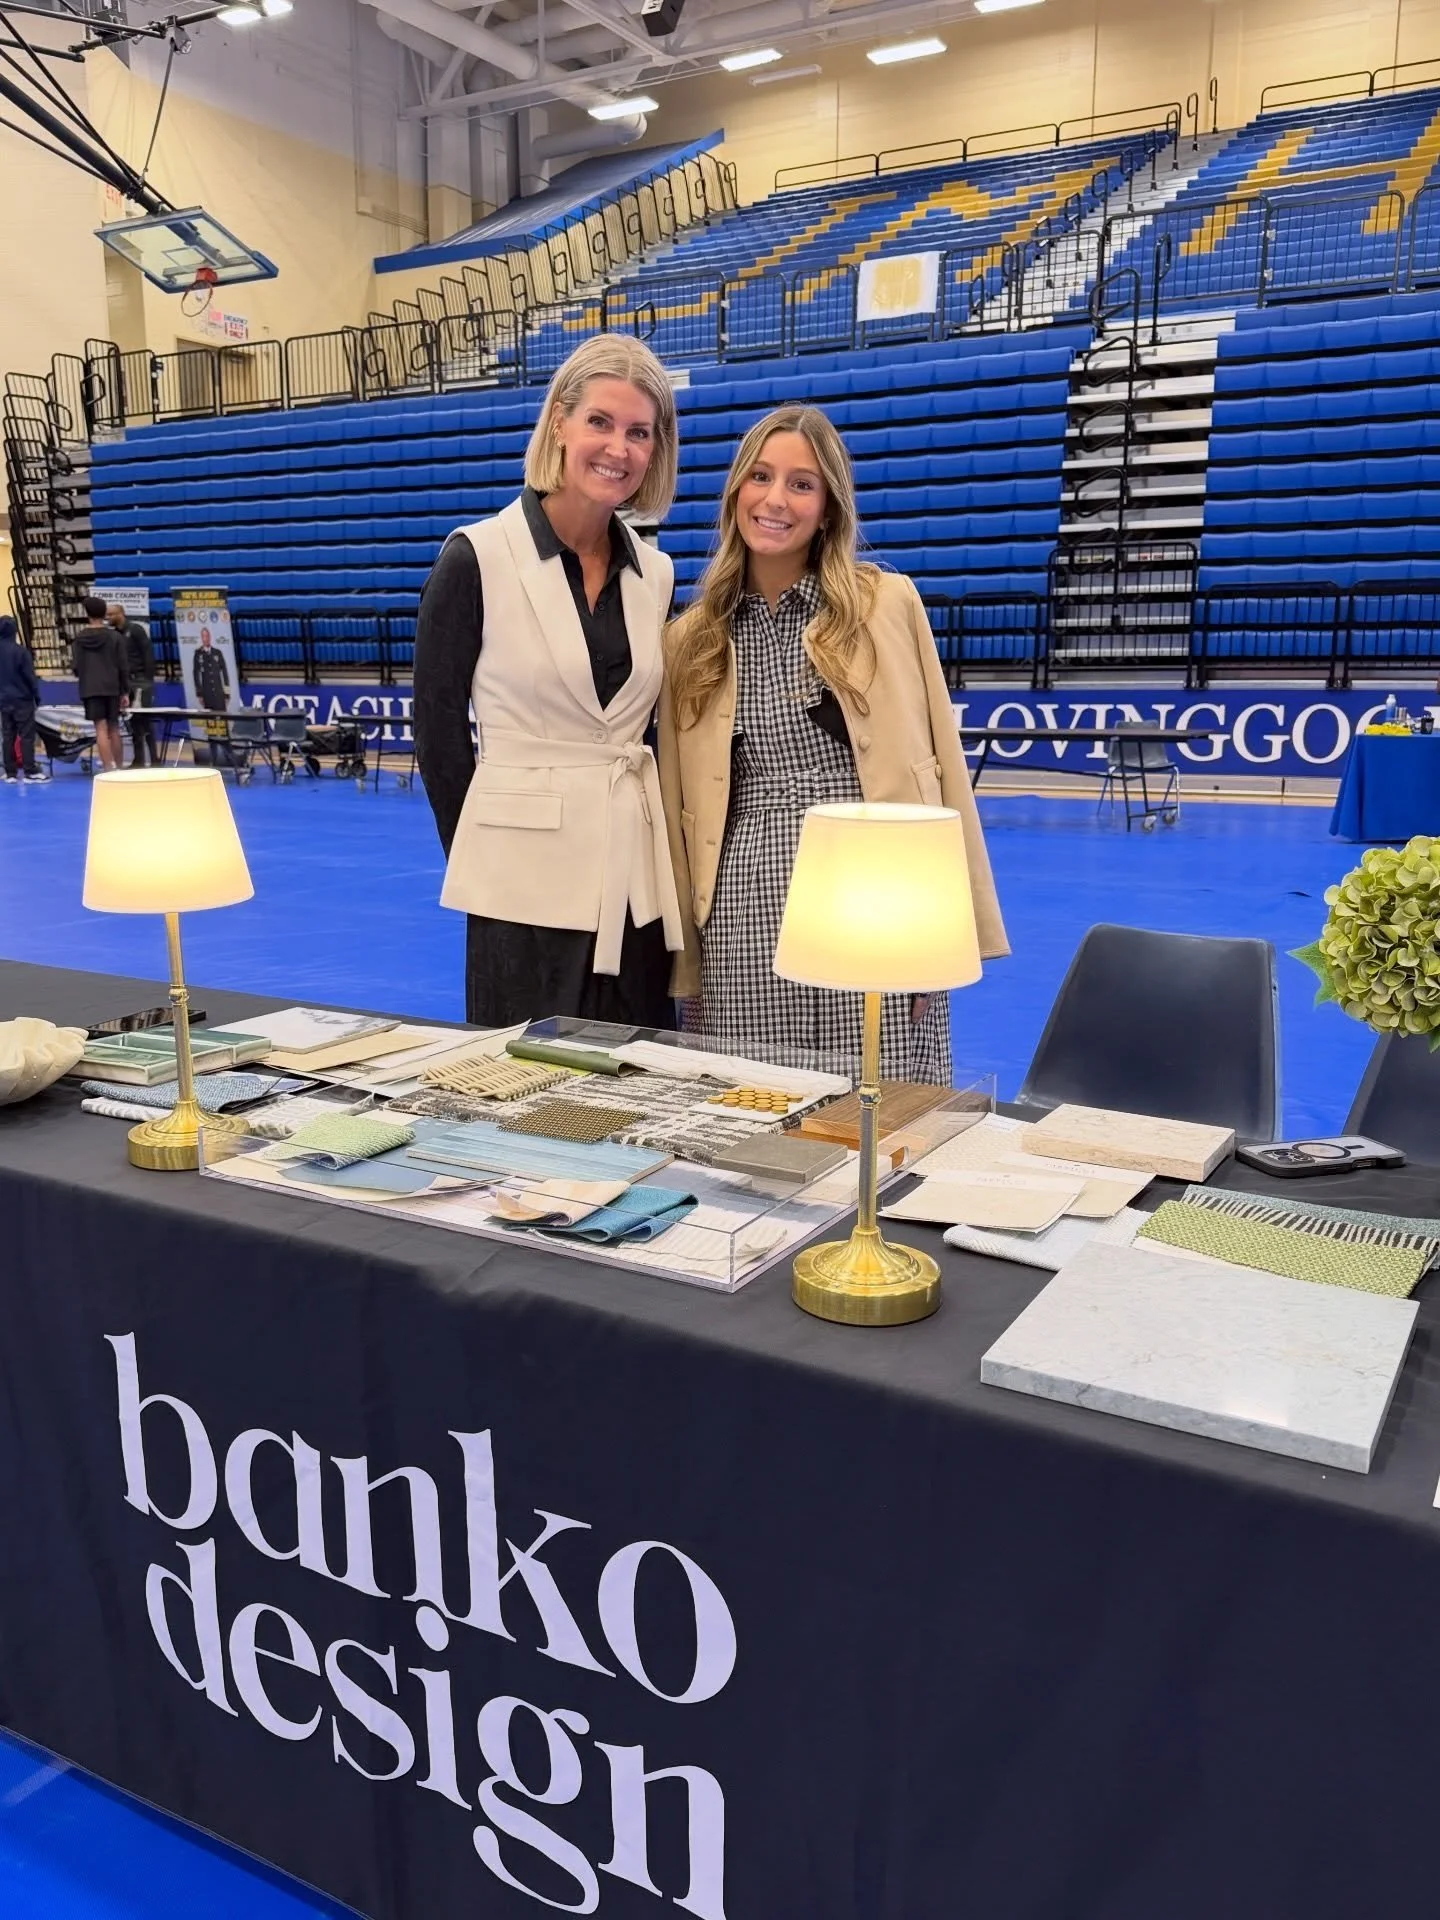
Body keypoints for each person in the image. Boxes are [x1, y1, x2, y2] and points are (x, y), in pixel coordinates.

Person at [659, 405, 1008, 1082]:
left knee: (883, 1107)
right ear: (735, 491)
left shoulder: (888, 607)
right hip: (744, 901)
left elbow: (937, 772)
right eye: (760, 476)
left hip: (877, 888)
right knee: (754, 1104)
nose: (775, 499)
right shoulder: (690, 639)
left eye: (801, 484)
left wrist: (948, 930)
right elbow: (681, 817)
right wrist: (689, 967)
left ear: (827, 508)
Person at [415, 335, 684, 1028]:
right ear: (559, 422)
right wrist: (484, 856)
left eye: (638, 433)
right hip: (521, 890)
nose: (617, 449)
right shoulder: (476, 557)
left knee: (638, 1087)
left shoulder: (656, 575)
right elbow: (439, 735)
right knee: (524, 1099)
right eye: (599, 422)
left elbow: (644, 726)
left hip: (634, 883)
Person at [71, 596, 129, 773]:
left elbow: (76, 667)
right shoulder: (115, 637)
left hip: (90, 688)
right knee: (114, 728)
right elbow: (123, 666)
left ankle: (107, 768)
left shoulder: (79, 639)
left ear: (87, 614)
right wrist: (125, 691)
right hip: (112, 687)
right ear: (104, 613)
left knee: (100, 728)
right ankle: (119, 766)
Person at [0, 615, 48, 783]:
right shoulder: (21, 652)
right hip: (22, 699)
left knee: (7, 735)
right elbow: (29, 677)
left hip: (3, 700)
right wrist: (37, 696)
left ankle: (10, 772)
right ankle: (30, 771)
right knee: (26, 736)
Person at [108, 603, 157, 766]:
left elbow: (147, 654)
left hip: (141, 680)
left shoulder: (136, 630)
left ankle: (155, 759)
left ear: (121, 613)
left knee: (146, 721)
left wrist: (148, 680)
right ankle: (139, 759)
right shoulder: (115, 635)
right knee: (133, 723)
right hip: (126, 683)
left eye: (111, 614)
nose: (108, 618)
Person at [193, 630, 230, 713]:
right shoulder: (198, 654)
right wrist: (199, 694)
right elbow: (196, 674)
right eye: (204, 636)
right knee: (210, 720)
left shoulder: (217, 652)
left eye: (207, 636)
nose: (206, 638)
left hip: (219, 692)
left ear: (210, 637)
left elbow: (224, 673)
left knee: (223, 718)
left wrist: (227, 693)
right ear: (201, 638)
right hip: (207, 693)